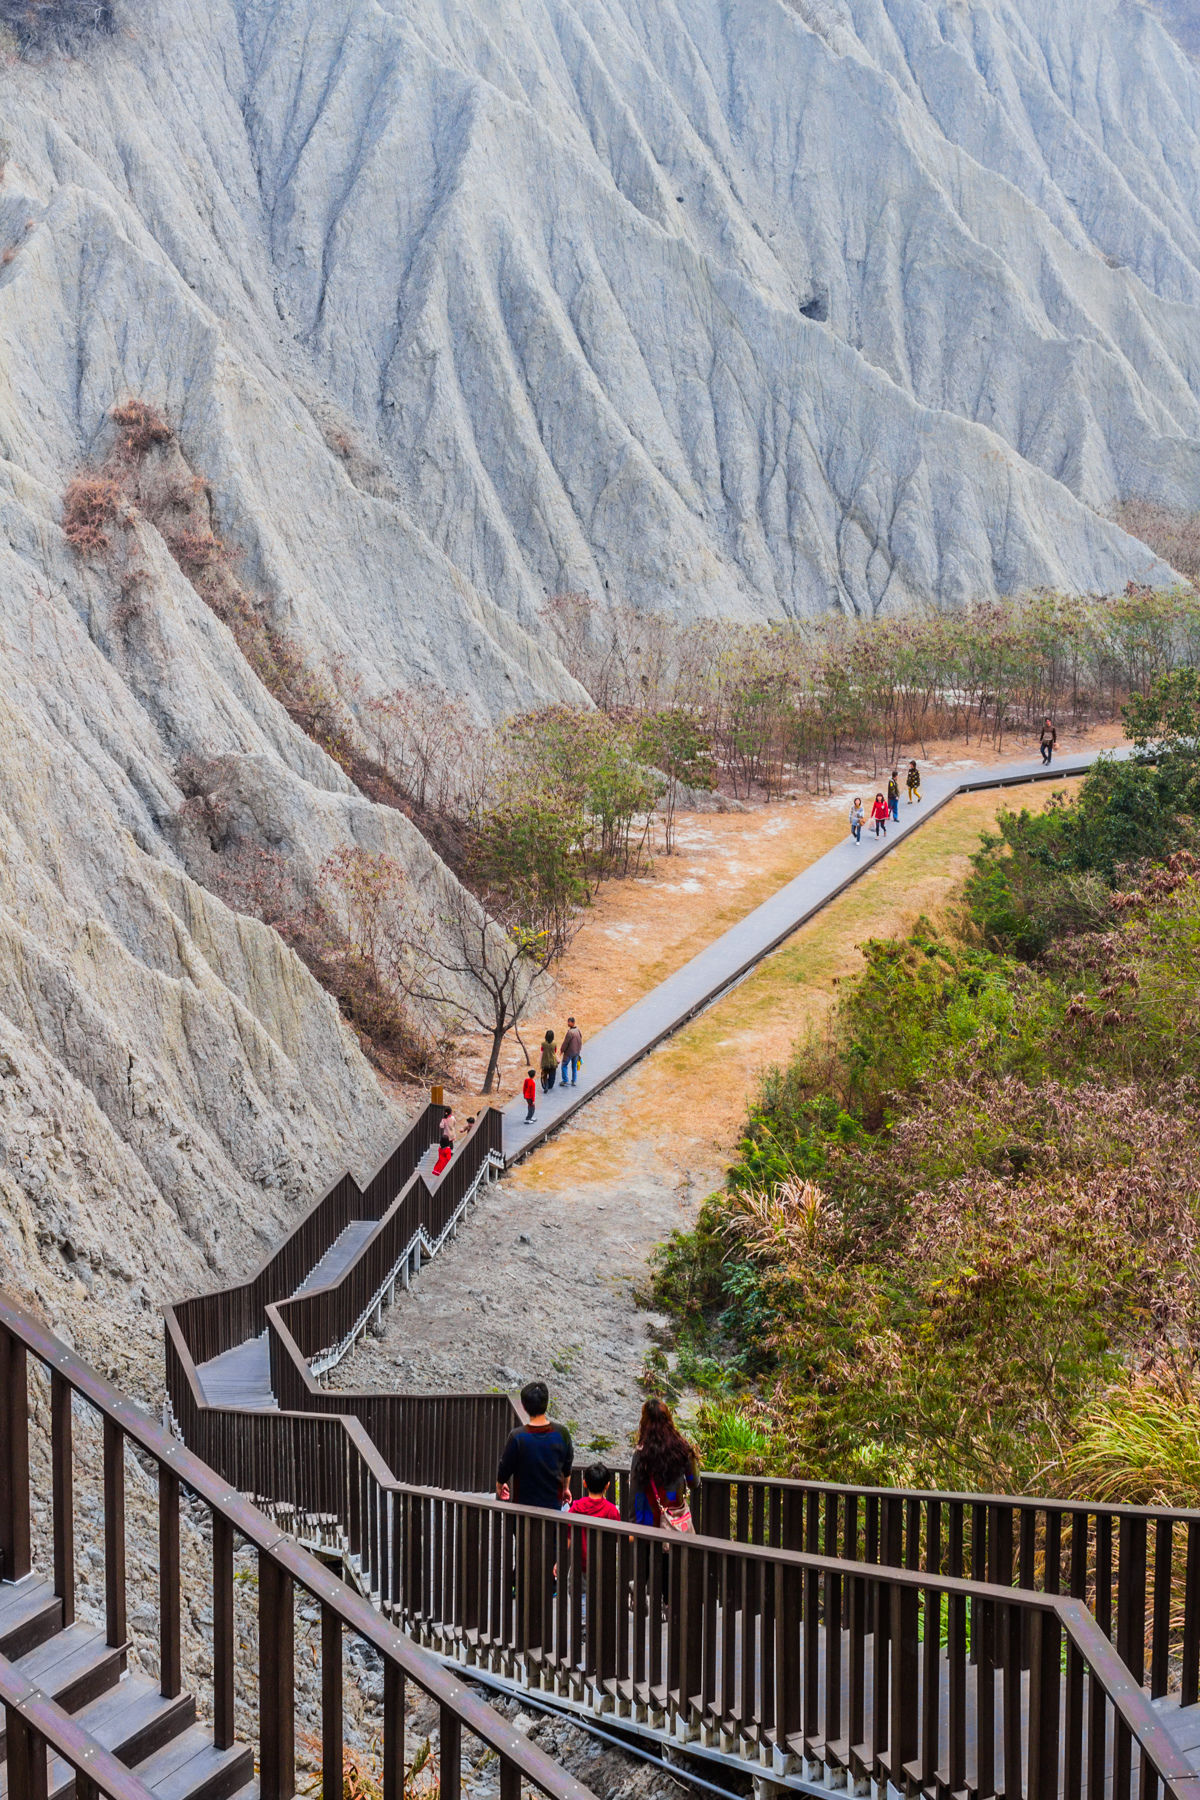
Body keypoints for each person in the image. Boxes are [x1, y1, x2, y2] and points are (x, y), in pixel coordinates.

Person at [496, 1381, 573, 1509]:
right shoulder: (562, 1433)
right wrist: (566, 1489)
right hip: (553, 1508)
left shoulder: (518, 1436)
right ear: (546, 1404)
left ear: (524, 1406)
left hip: (524, 1509)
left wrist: (500, 1484)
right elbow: (567, 1466)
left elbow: (505, 1467)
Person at [630, 1397, 698, 1531]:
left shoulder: (641, 1453)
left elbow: (635, 1493)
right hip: (677, 1522)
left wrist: (633, 1523)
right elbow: (694, 1482)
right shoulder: (683, 1448)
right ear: (668, 1420)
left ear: (644, 1422)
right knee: (678, 1551)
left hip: (650, 1526)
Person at [568, 1463, 620, 1569]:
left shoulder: (576, 1507)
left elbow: (567, 1535)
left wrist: (559, 1561)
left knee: (575, 1585)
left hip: (579, 1565)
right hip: (603, 1564)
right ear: (607, 1485)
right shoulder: (611, 1510)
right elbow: (617, 1536)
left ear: (584, 1483)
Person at [431, 1106, 455, 1178]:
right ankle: (451, 1152)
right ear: (451, 1112)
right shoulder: (453, 1118)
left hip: (446, 1134)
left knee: (447, 1147)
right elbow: (454, 1124)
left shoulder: (444, 1119)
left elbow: (441, 1126)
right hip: (451, 1135)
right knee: (451, 1146)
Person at [559, 1017, 583, 1087]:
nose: (568, 1023)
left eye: (569, 1022)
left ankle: (565, 1080)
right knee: (574, 1066)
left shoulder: (570, 1032)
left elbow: (565, 1043)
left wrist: (562, 1050)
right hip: (576, 1052)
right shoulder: (578, 1030)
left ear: (573, 1023)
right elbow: (580, 1039)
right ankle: (574, 1081)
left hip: (569, 1053)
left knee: (564, 1065)